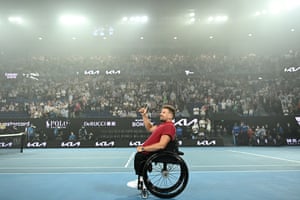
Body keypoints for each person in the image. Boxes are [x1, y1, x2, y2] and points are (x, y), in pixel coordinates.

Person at [127, 104, 176, 188]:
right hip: (148, 152)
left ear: (170, 115)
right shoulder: (162, 125)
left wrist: (143, 148)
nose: (161, 114)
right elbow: (149, 128)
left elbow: (162, 145)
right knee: (139, 155)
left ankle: (143, 181)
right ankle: (142, 180)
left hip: (153, 152)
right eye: (161, 112)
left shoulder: (169, 127)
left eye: (164, 112)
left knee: (139, 156)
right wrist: (144, 115)